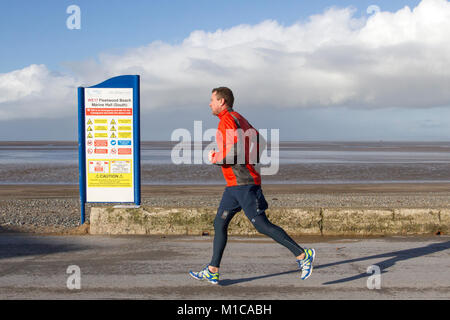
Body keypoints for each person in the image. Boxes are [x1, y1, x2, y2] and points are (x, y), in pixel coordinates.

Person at [189, 87, 315, 285]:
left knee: (261, 225)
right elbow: (261, 141)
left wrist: (215, 158)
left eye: (212, 100)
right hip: (233, 185)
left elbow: (234, 152)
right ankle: (213, 269)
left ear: (222, 101)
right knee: (219, 223)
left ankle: (302, 255)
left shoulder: (228, 120)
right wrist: (250, 160)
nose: (209, 104)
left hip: (244, 183)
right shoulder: (240, 118)